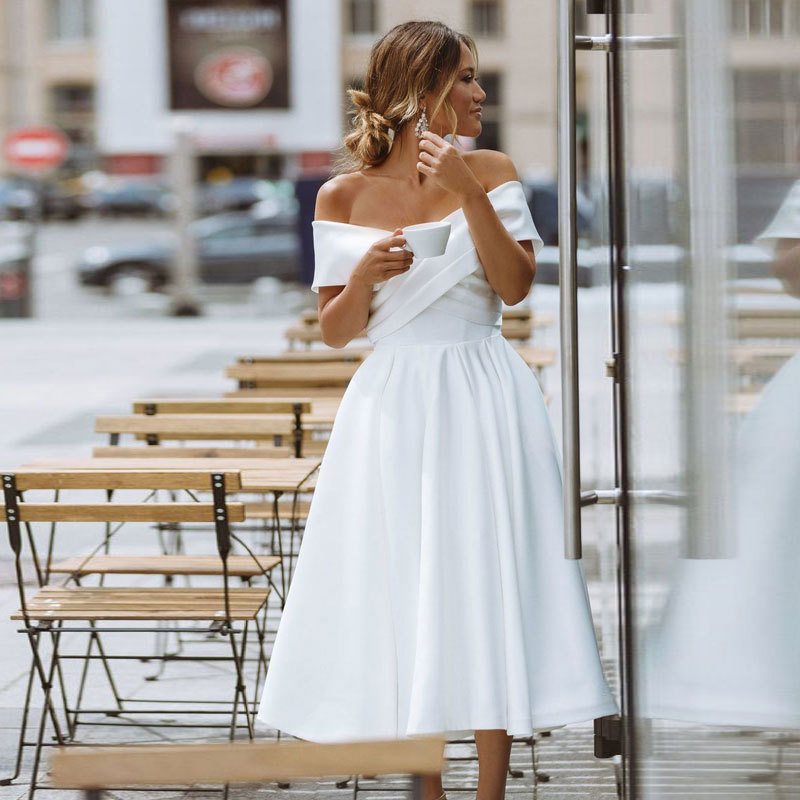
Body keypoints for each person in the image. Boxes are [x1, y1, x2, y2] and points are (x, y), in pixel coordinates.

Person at [257, 20, 618, 800]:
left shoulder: (491, 168)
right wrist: (364, 280)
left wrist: (466, 194)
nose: (480, 92)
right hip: (396, 402)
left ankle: (489, 790)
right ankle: (428, 789)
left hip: (485, 389)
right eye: (464, 78)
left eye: (477, 77)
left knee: (487, 575)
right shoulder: (343, 193)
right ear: (421, 90)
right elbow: (334, 332)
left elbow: (516, 285)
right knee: (408, 581)